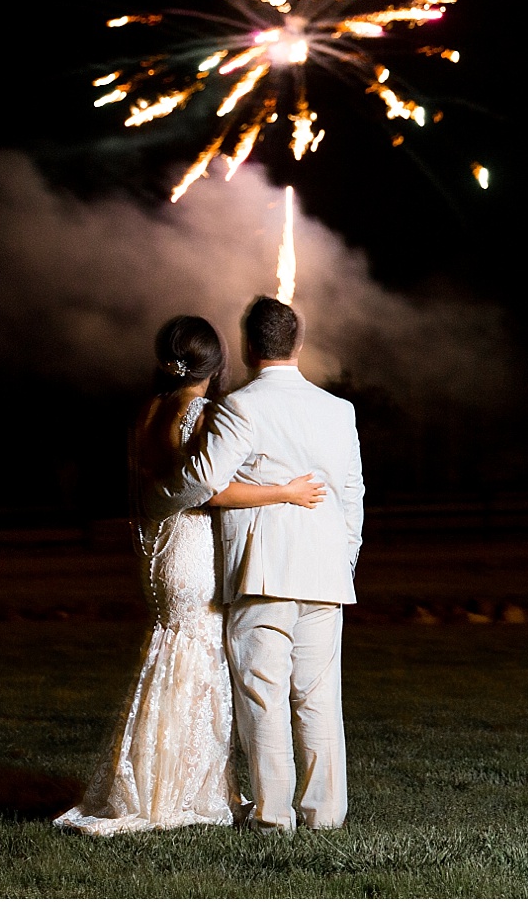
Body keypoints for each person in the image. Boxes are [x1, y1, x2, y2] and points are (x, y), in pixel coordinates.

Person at [54, 315, 325, 837]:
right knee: (198, 661)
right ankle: (186, 791)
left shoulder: (149, 411)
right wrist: (285, 492)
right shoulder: (199, 412)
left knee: (170, 655)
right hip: (192, 548)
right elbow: (211, 489)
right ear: (216, 363)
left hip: (159, 548)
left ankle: (158, 781)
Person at [155, 296, 365, 832]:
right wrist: (343, 558)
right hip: (326, 574)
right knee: (319, 700)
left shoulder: (240, 407)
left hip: (262, 571)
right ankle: (325, 814)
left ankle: (273, 816)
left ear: (248, 346)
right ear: (299, 343)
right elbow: (352, 496)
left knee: (263, 697)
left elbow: (201, 482)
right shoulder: (339, 411)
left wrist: (163, 489)